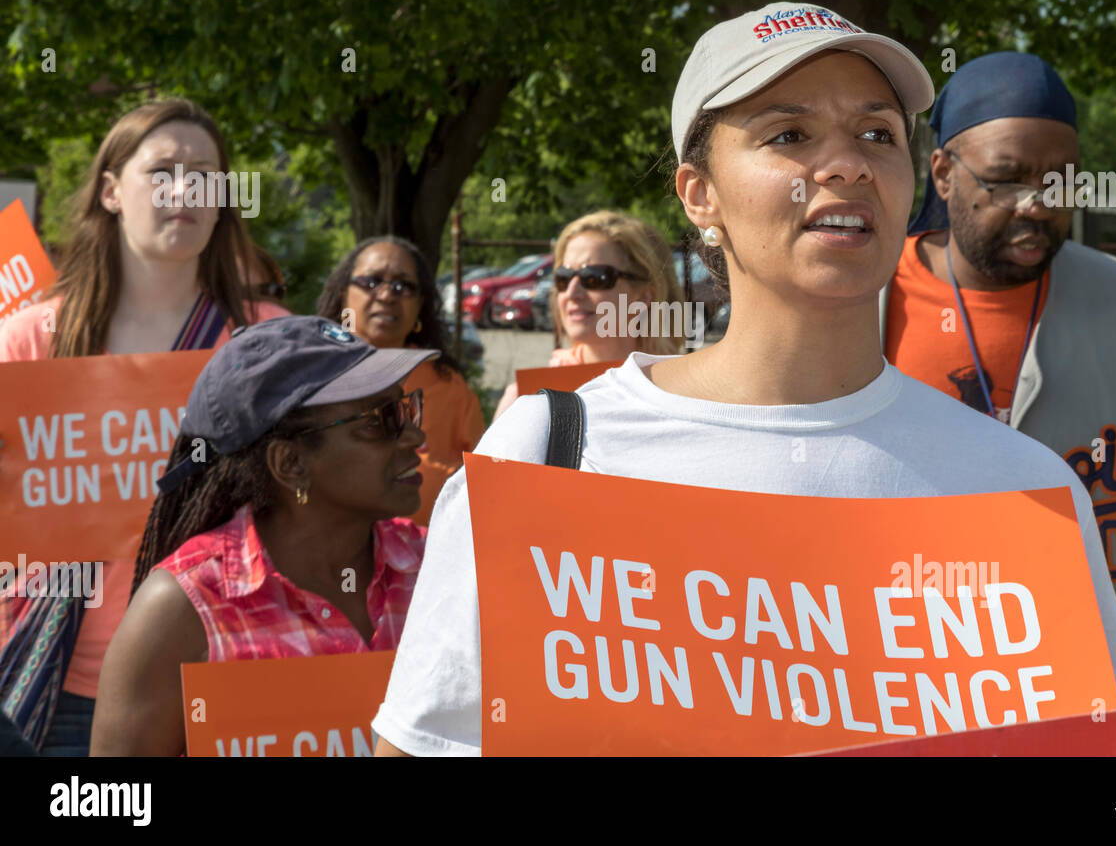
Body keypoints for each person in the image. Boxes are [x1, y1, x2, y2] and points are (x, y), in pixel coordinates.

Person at [372, 2, 1116, 756]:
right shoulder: (551, 455)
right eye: (790, 133)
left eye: (878, 133)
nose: (846, 163)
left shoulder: (1020, 490)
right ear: (699, 195)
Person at [883, 51, 1116, 700]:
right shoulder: (866, 311)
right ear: (942, 174)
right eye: (1006, 179)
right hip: (914, 704)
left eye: (1061, 181)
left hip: (1099, 705)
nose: (1037, 206)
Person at [0, 99, 290, 755]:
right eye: (162, 172)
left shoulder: (268, 342)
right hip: (56, 694)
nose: (185, 189)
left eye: (205, 174)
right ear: (110, 190)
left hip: (224, 680)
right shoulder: (24, 342)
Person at [90, 317, 431, 756]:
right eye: (380, 421)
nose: (416, 436)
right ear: (289, 463)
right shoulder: (183, 611)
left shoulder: (441, 567)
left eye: (406, 408)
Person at [316, 236, 484, 525]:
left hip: (428, 558)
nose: (386, 295)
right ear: (343, 294)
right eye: (371, 281)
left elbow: (482, 485)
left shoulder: (449, 386)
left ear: (420, 306)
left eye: (403, 286)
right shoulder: (311, 377)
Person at [492, 210, 686, 421]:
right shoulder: (529, 399)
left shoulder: (685, 392)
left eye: (594, 278)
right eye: (563, 278)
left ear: (643, 297)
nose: (572, 293)